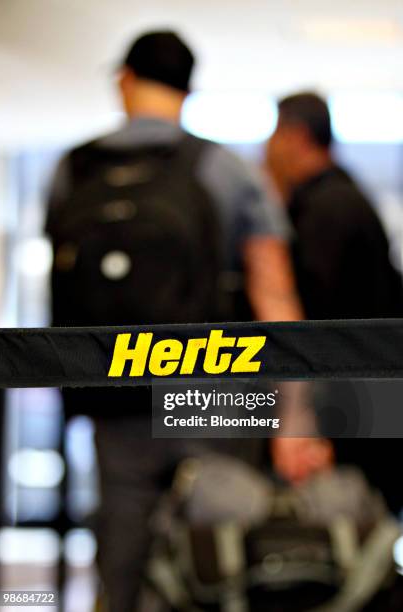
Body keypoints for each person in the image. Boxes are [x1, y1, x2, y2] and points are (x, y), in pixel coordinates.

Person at [45, 31, 304, 612]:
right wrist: (296, 416)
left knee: (123, 563)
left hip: (115, 398)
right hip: (214, 396)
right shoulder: (225, 170)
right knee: (219, 558)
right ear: (189, 89)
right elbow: (276, 296)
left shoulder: (72, 169)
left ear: (125, 80)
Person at [266, 91, 403, 512]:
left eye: (274, 134)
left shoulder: (327, 209)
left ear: (295, 136)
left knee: (350, 527)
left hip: (352, 410)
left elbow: (312, 322)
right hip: (368, 399)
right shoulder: (343, 198)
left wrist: (307, 423)